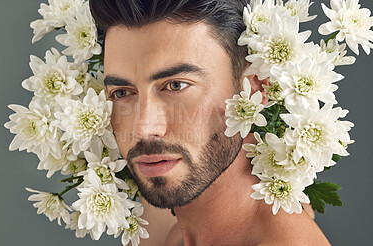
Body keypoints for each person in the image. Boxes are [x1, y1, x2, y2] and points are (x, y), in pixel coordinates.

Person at [89, 0, 329, 245]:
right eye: (122, 92)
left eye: (176, 85)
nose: (143, 130)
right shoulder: (155, 223)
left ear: (255, 90)